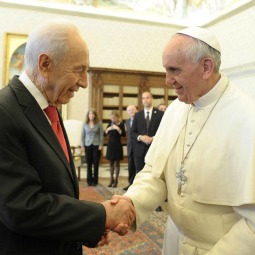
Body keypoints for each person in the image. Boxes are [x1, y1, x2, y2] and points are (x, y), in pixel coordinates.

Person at [112, 27, 255, 254]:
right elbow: (155, 174)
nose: (168, 81)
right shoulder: (175, 110)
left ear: (206, 67)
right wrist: (130, 204)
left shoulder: (248, 118)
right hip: (174, 240)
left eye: (174, 70)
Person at [0, 20, 135, 255]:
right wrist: (102, 215)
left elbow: (56, 189)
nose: (84, 82)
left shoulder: (49, 105)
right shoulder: (4, 112)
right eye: (79, 69)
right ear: (45, 64)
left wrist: (86, 228)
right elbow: (23, 208)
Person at [131, 91, 164, 173]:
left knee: (153, 174)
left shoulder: (160, 114)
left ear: (151, 99)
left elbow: (163, 131)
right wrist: (141, 137)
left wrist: (153, 138)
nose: (145, 100)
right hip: (139, 151)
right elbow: (132, 132)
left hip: (154, 149)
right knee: (139, 173)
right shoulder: (137, 115)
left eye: (147, 98)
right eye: (143, 98)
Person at [81, 108, 103, 186]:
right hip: (87, 145)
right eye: (90, 114)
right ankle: (89, 180)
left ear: (95, 115)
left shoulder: (99, 123)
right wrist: (82, 146)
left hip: (96, 146)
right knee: (89, 163)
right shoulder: (85, 123)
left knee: (96, 163)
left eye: (93, 114)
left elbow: (101, 135)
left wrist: (101, 144)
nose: (91, 115)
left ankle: (95, 181)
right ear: (88, 115)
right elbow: (82, 136)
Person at [104, 110, 126, 188]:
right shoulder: (110, 124)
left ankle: (116, 180)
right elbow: (104, 134)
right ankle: (111, 179)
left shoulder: (121, 124)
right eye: (111, 118)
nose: (112, 119)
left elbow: (123, 134)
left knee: (117, 163)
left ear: (117, 118)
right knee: (110, 163)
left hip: (117, 145)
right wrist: (107, 129)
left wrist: (118, 129)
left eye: (113, 118)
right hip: (110, 145)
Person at [123, 105, 138, 191]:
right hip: (130, 146)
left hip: (138, 146)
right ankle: (131, 183)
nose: (131, 111)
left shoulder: (140, 120)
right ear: (127, 113)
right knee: (130, 165)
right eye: (129, 110)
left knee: (138, 166)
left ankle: (138, 185)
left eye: (133, 109)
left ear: (136, 110)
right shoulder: (127, 121)